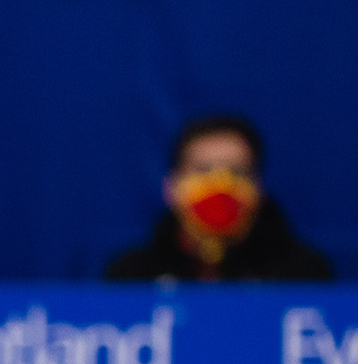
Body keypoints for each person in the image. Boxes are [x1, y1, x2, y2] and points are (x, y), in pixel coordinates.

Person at [103, 114, 333, 282]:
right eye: (203, 170)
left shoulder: (301, 276)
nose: (220, 186)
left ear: (258, 189)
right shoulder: (132, 276)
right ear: (171, 187)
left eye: (236, 172)